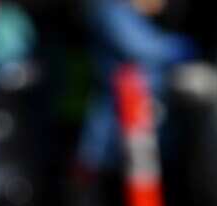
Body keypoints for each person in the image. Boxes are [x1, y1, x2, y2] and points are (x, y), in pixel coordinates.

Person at [76, 0, 196, 173]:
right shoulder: (112, 11)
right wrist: (184, 47)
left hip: (144, 120)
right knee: (115, 177)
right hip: (117, 119)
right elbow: (143, 48)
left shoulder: (139, 18)